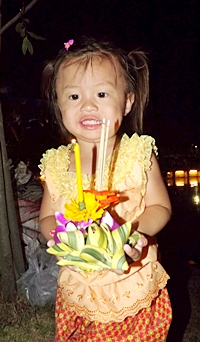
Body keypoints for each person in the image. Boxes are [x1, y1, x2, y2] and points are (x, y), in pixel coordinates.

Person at [39, 37, 172, 341]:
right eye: (73, 96)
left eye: (101, 93)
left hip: (130, 281)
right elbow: (47, 218)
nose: (87, 105)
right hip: (80, 285)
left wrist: (135, 233)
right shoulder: (58, 164)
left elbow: (160, 207)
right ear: (58, 103)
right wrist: (64, 238)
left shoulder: (137, 154)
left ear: (127, 101)